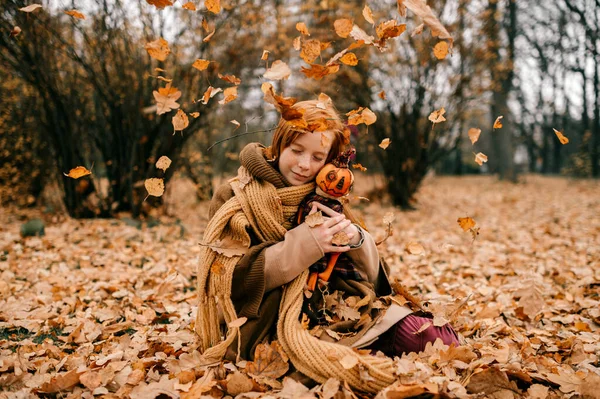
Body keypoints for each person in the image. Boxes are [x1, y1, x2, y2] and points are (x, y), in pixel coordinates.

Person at [199, 97, 459, 364]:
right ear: (279, 144)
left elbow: (376, 278)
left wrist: (357, 240)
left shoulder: (326, 193)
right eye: (296, 150)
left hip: (339, 305)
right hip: (271, 319)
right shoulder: (235, 196)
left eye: (317, 157)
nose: (304, 165)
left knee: (438, 338)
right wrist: (305, 245)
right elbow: (229, 279)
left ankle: (364, 347)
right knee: (342, 364)